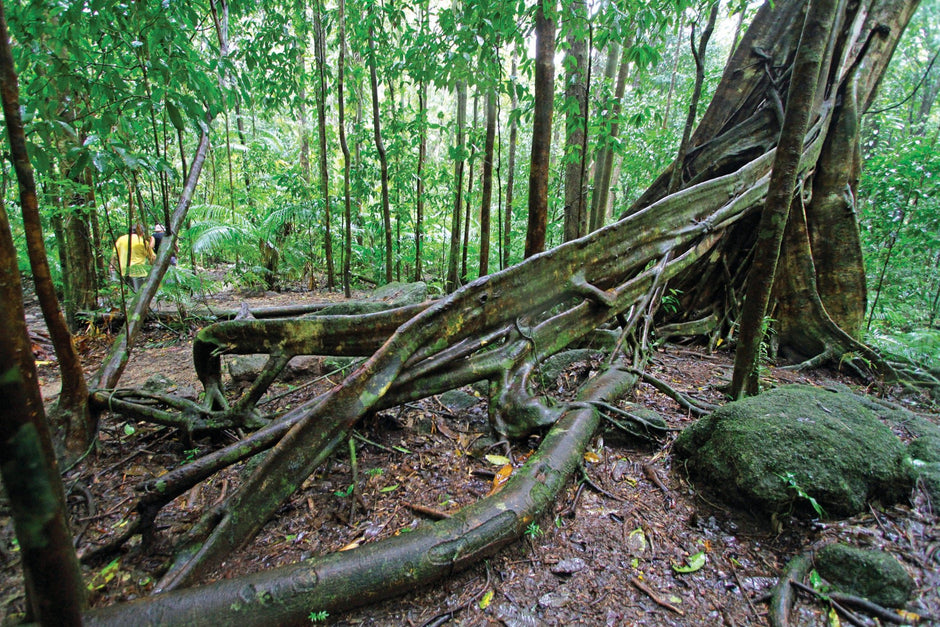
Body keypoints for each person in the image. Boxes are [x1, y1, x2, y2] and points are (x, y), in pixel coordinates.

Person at [112, 225, 155, 290]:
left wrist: (112, 266)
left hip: (124, 271)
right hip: (139, 273)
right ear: (141, 232)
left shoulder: (120, 239)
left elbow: (114, 255)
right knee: (139, 294)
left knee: (128, 295)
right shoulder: (142, 241)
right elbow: (152, 257)